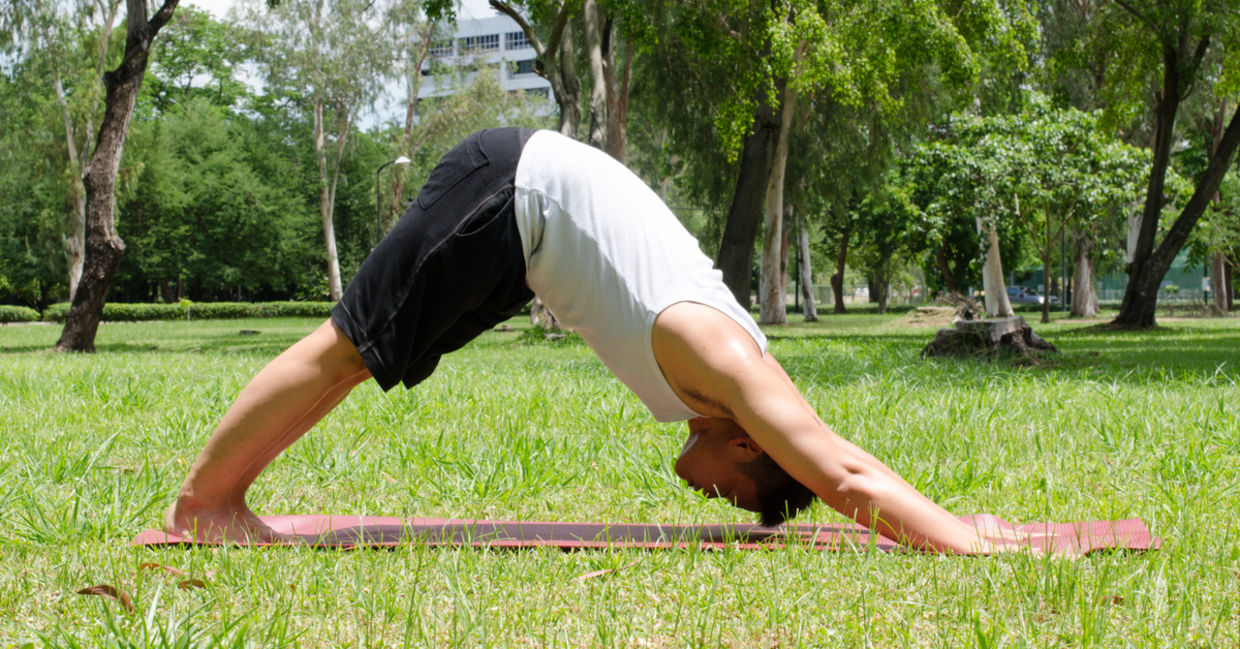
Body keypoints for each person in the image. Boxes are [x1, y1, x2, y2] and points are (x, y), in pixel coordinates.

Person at [164, 128, 1009, 553]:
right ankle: (205, 506)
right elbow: (841, 472)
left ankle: (218, 502)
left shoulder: (745, 385)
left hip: (520, 240)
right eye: (728, 493)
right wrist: (966, 545)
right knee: (349, 346)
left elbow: (830, 451)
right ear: (746, 443)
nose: (705, 495)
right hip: (507, 194)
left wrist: (952, 515)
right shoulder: (723, 365)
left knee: (368, 361)